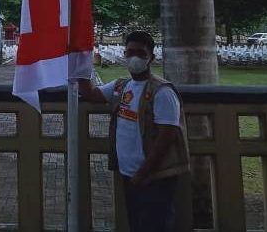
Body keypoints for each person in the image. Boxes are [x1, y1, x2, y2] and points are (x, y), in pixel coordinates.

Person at [78, 30, 189, 232]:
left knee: (155, 224)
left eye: (141, 53)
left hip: (154, 175)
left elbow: (167, 136)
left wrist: (144, 172)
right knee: (137, 224)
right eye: (130, 52)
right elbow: (90, 94)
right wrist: (80, 64)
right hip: (129, 173)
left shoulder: (162, 92)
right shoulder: (122, 86)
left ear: (151, 58)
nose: (134, 57)